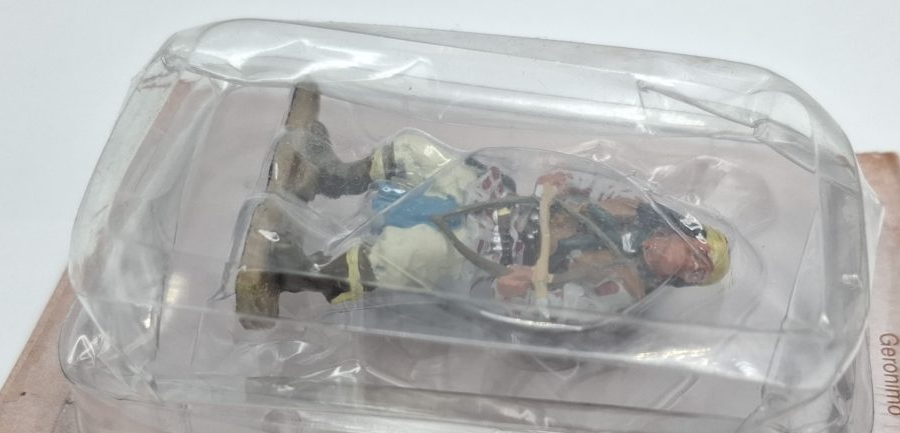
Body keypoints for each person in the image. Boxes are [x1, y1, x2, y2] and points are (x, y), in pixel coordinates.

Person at [246, 121, 729, 321]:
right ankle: (331, 177)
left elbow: (558, 310)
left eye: (694, 268)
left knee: (416, 253)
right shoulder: (631, 209)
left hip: (492, 256)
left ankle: (301, 275)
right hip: (502, 206)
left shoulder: (624, 288)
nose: (687, 259)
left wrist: (514, 288)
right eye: (693, 249)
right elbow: (572, 191)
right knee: (418, 151)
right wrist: (554, 184)